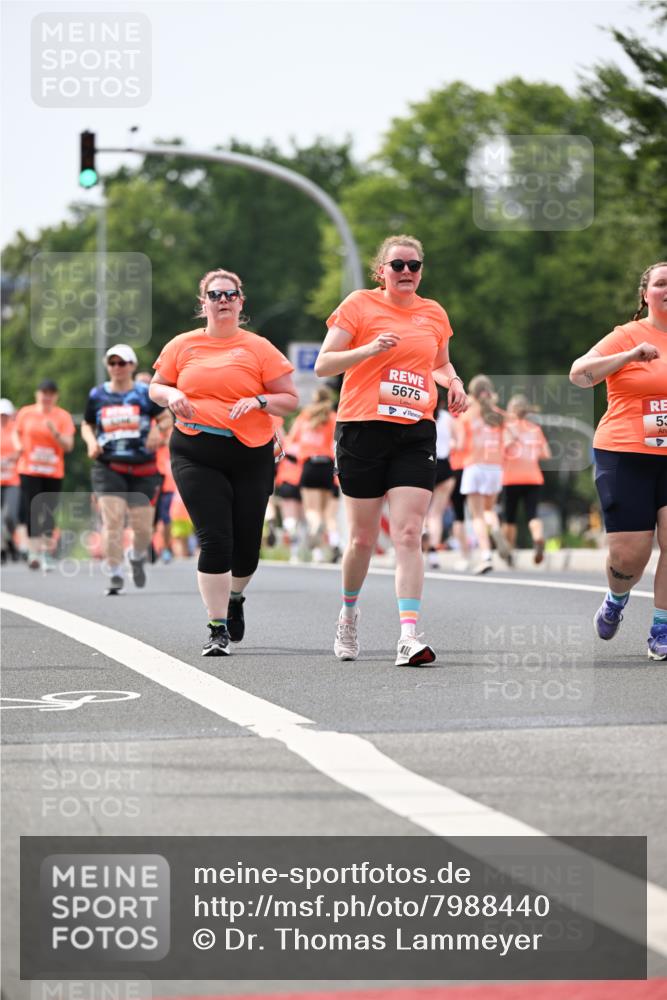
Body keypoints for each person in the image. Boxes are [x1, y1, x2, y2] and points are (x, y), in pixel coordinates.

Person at [314, 234, 467, 667]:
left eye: (414, 266)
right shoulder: (359, 305)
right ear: (380, 270)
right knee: (363, 539)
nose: (406, 273)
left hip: (416, 431)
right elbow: (324, 364)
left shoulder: (433, 313)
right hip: (362, 428)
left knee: (407, 533)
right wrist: (368, 349)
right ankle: (348, 615)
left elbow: (439, 363)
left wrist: (453, 382)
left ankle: (408, 636)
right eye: (397, 265)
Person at [149, 267, 298, 656]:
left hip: (250, 451)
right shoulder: (183, 345)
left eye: (230, 295)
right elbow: (155, 386)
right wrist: (170, 397)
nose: (223, 301)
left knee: (246, 547)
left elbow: (289, 398)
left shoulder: (259, 347)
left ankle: (234, 598)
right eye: (215, 295)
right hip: (195, 449)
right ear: (204, 303)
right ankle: (217, 628)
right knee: (215, 539)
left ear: (241, 302)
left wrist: (261, 400)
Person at [570, 261, 667, 660]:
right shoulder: (626, 335)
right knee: (631, 556)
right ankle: (616, 596)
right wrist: (628, 356)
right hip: (626, 452)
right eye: (662, 283)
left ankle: (661, 628)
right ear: (645, 294)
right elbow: (579, 374)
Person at [81, 344, 164, 595]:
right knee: (113, 520)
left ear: (132, 366)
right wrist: (91, 442)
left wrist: (157, 430)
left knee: (143, 528)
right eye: (112, 363)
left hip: (143, 467)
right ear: (108, 366)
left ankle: (136, 555)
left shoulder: (144, 393)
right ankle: (115, 573)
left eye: (122, 363)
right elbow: (86, 424)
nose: (117, 368)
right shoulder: (97, 395)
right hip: (109, 466)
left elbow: (166, 418)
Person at [13, 380, 75, 571]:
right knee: (33, 508)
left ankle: (47, 553)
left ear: (56, 396)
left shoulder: (62, 416)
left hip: (52, 470)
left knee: (48, 510)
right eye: (44, 392)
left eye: (51, 393)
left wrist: (55, 433)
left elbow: (68, 445)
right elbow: (16, 433)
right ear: (37, 394)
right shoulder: (26, 413)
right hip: (30, 469)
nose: (47, 397)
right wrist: (19, 446)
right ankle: (34, 553)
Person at [459, 374, 512, 574]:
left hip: (474, 466)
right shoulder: (499, 414)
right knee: (489, 510)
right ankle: (496, 527)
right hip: (495, 468)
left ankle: (486, 555)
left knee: (477, 516)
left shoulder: (469, 413)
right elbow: (511, 438)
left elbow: (461, 442)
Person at [289, 387, 339, 562]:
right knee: (325, 511)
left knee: (311, 510)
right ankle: (331, 544)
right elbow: (337, 441)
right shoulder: (332, 418)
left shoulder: (305, 416)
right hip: (327, 465)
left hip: (309, 464)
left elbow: (292, 439)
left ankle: (316, 529)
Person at [501, 394, 552, 564]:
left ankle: (509, 551)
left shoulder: (507, 428)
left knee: (510, 518)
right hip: (533, 478)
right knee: (532, 515)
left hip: (511, 478)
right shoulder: (535, 429)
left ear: (511, 410)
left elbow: (502, 451)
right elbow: (546, 454)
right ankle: (537, 537)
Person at [424, 389, 457, 569]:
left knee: (419, 511)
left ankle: (422, 533)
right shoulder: (448, 418)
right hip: (445, 465)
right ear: (442, 403)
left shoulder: (422, 415)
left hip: (425, 462)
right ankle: (434, 552)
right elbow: (457, 443)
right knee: (436, 514)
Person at [0, 399, 21, 563]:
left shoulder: (15, 430)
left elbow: (21, 450)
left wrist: (9, 458)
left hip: (12, 480)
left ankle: (10, 540)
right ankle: (4, 547)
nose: (3, 418)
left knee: (9, 516)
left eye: (5, 415)